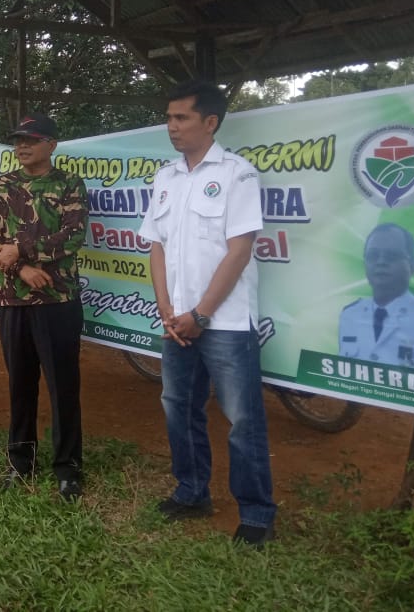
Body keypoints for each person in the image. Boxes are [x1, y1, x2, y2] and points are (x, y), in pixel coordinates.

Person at [138, 79, 276, 547]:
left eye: (182, 118)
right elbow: (155, 246)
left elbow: (239, 252)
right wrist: (167, 309)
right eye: (169, 117)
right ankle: (192, 492)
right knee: (179, 408)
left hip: (226, 323)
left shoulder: (238, 174)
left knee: (242, 420)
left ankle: (256, 513)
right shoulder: (166, 177)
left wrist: (200, 313)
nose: (171, 126)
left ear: (210, 122)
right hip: (176, 322)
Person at [0, 112, 88, 502]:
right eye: (18, 140)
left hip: (58, 300)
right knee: (20, 384)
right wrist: (22, 268)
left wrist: (21, 249)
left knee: (63, 386)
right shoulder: (2, 185)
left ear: (51, 145)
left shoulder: (69, 183)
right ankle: (20, 462)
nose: (22, 146)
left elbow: (72, 236)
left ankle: (68, 468)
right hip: (13, 300)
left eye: (32, 139)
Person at [339, 223, 414, 369]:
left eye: (392, 256)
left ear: (413, 266)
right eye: (373, 255)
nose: (381, 262)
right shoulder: (349, 315)